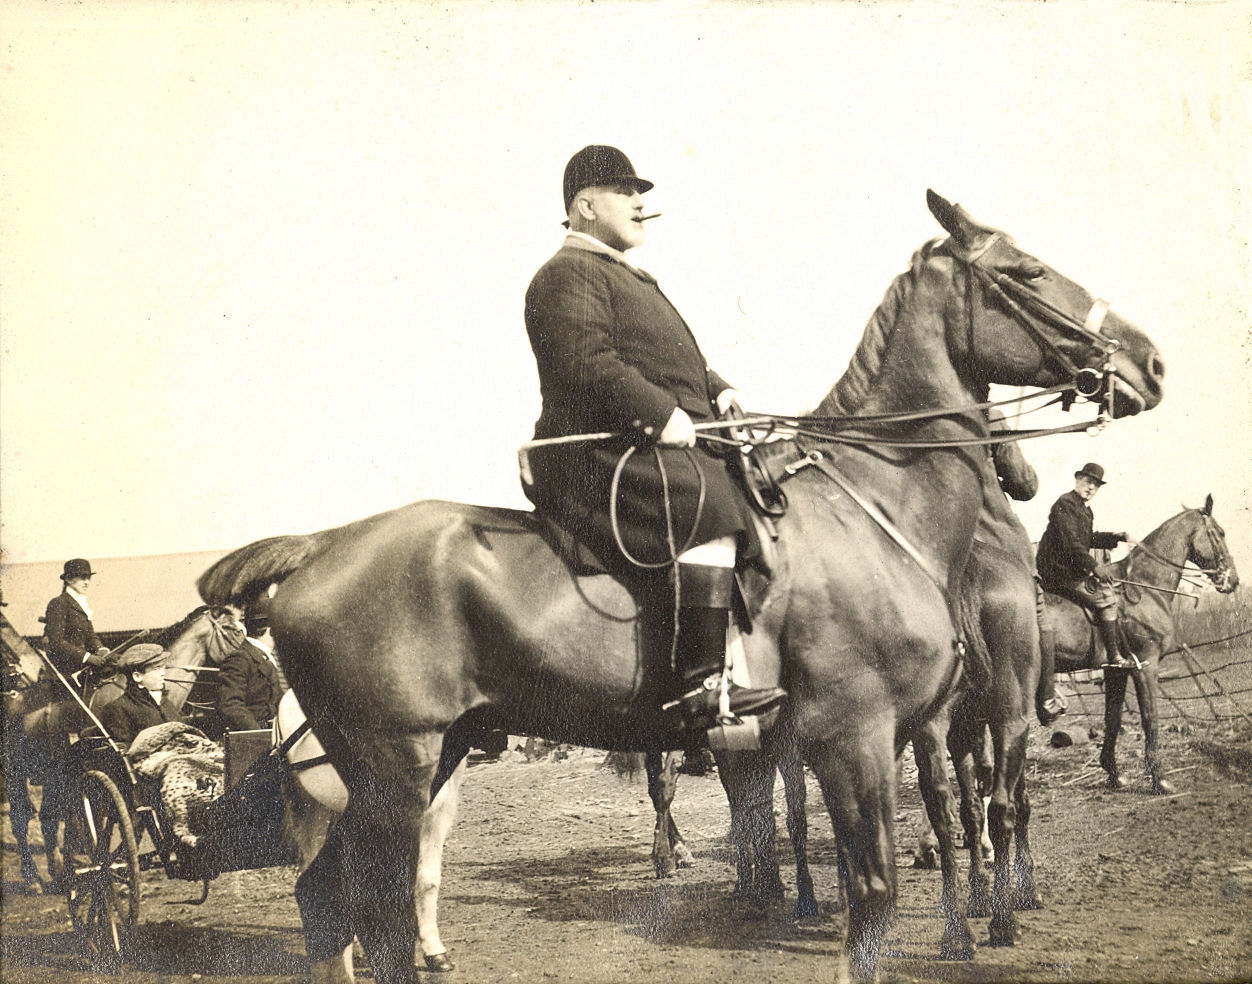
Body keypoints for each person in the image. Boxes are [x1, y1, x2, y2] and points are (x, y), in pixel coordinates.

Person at [521, 145, 785, 729]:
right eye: (625, 191)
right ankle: (701, 686)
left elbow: (668, 358)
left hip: (639, 442)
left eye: (641, 192)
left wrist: (718, 391)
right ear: (585, 205)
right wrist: (660, 414)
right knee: (707, 503)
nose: (640, 202)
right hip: (594, 453)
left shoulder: (621, 274)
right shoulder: (565, 274)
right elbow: (587, 362)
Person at [1035, 463, 1134, 670]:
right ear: (1078, 479)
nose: (1091, 488)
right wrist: (1095, 567)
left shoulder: (1084, 510)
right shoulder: (1065, 503)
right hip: (1057, 572)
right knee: (1107, 598)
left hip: (1068, 571)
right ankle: (1114, 656)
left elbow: (1087, 538)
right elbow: (1072, 544)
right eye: (1088, 482)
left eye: (1096, 486)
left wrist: (1115, 537)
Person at [216, 600, 284, 733]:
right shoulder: (239, 659)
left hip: (273, 737)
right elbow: (230, 706)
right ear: (270, 630)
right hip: (253, 741)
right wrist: (260, 736)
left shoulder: (264, 657)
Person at [97, 644, 183, 749]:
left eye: (163, 668)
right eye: (157, 669)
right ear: (137, 676)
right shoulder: (117, 708)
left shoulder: (166, 703)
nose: (163, 673)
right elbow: (126, 752)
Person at [42, 558, 111, 685]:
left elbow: (90, 635)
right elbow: (56, 642)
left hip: (81, 671)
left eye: (88, 578)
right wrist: (87, 657)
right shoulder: (58, 603)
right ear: (68, 579)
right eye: (82, 578)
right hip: (63, 675)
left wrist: (101, 649)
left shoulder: (81, 605)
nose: (87, 582)